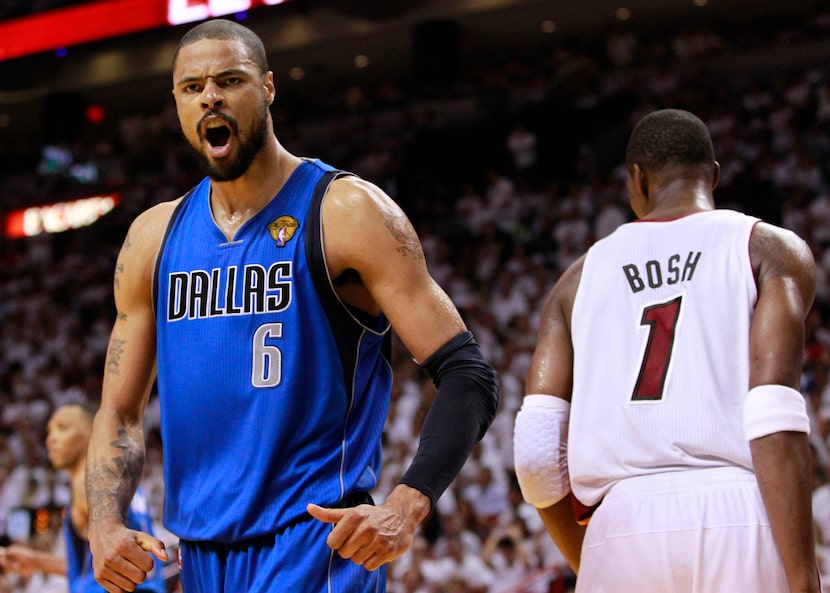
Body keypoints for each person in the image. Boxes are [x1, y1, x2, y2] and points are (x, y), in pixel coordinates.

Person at [85, 18, 499, 593]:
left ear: (268, 87)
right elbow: (119, 412)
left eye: (230, 80)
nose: (210, 97)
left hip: (315, 545)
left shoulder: (346, 212)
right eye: (192, 87)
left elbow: (467, 374)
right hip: (201, 559)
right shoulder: (152, 239)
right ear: (176, 103)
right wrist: (104, 523)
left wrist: (409, 502)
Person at [512, 108, 819, 592]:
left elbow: (535, 453)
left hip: (619, 527)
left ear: (637, 180)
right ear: (713, 176)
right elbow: (772, 413)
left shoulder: (576, 280)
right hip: (737, 511)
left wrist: (591, 558)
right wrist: (803, 576)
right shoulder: (766, 249)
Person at [0, 404, 166, 593]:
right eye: (49, 431)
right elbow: (102, 565)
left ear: (92, 433)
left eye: (63, 428)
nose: (51, 438)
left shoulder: (88, 491)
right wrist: (36, 562)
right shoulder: (115, 482)